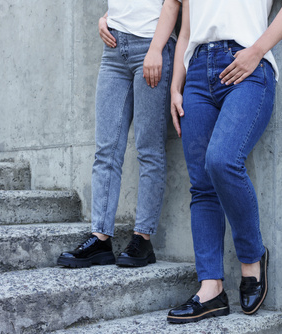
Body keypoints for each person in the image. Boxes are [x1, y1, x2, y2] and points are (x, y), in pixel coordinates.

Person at [166, 0, 282, 324]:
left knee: (222, 160)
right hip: (197, 75)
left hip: (246, 64)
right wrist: (176, 85)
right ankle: (211, 288)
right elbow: (186, 31)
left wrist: (257, 51)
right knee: (201, 185)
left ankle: (251, 257)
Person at [57, 0, 181, 269]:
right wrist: (106, 17)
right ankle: (100, 237)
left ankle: (142, 238)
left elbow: (172, 3)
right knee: (106, 150)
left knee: (149, 149)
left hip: (151, 44)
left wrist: (157, 48)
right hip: (113, 49)